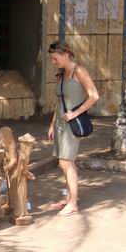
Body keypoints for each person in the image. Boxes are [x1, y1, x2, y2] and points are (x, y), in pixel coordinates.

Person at [47, 41, 99, 216]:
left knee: (66, 162)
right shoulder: (62, 74)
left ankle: (73, 203)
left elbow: (94, 96)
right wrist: (52, 124)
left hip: (71, 122)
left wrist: (75, 113)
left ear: (66, 54)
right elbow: (59, 101)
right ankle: (69, 198)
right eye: (52, 59)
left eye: (55, 58)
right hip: (60, 123)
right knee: (64, 163)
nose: (54, 62)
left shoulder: (79, 71)